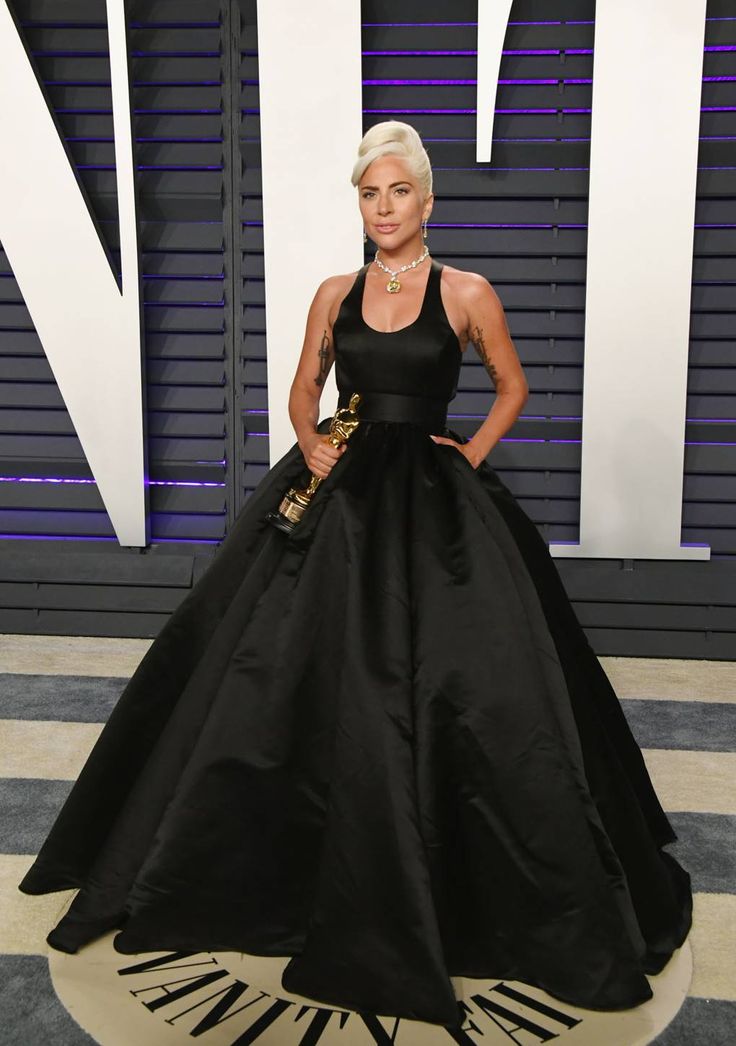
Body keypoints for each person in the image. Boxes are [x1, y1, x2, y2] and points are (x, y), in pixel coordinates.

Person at [19, 120, 692, 1030]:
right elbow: (306, 388)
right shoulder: (334, 291)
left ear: (427, 200)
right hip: (333, 492)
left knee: (472, 678)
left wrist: (470, 455)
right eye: (369, 194)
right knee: (273, 668)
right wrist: (309, 442)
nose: (383, 208)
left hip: (432, 501)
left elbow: (512, 386)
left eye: (399, 192)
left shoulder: (467, 292)